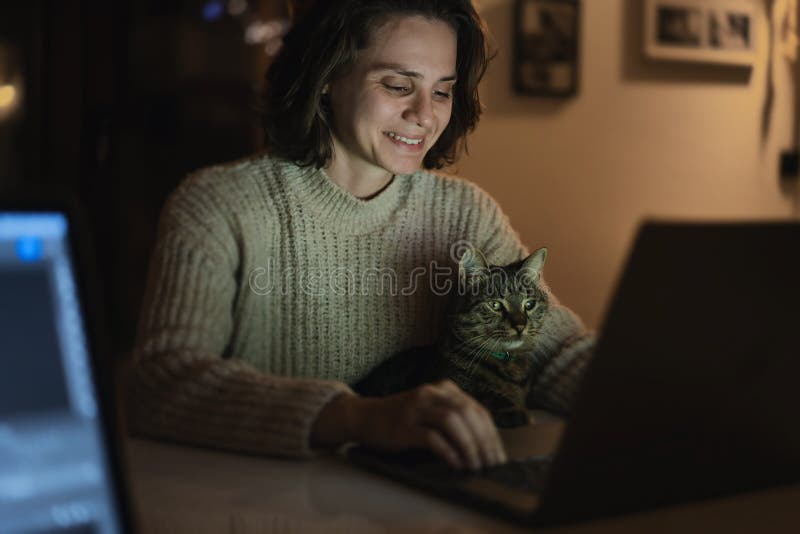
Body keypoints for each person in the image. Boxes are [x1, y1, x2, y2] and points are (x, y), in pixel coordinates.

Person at [125, 0, 593, 472]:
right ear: (327, 76)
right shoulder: (217, 206)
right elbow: (160, 384)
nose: (424, 115)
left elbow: (557, 353)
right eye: (397, 85)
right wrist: (356, 417)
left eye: (442, 92)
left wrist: (651, 391)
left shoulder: (465, 213)